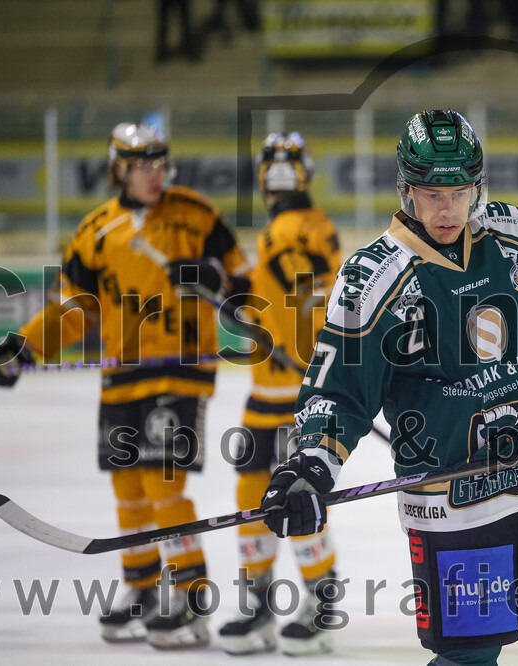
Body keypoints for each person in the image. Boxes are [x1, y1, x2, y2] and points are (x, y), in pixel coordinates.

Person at [258, 109, 518, 666]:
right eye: (432, 194)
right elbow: (339, 391)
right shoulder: (374, 277)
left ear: (477, 187)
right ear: (406, 190)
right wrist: (312, 464)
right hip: (454, 506)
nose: (447, 210)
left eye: (459, 193)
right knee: (470, 655)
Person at [0, 122, 250, 649]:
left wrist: (215, 278)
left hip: (180, 368)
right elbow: (73, 310)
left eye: (160, 164)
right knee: (128, 486)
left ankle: (191, 596)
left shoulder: (196, 215)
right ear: (119, 169)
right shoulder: (96, 231)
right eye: (142, 165)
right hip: (123, 372)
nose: (154, 175)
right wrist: (22, 348)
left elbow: (247, 281)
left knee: (162, 483)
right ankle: (142, 587)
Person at [217, 132, 343, 656]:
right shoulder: (304, 226)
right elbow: (282, 297)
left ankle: (313, 604)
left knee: (292, 497)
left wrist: (299, 345)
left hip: (296, 394)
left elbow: (314, 295)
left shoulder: (295, 229)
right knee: (256, 496)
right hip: (267, 392)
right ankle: (267, 604)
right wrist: (240, 297)